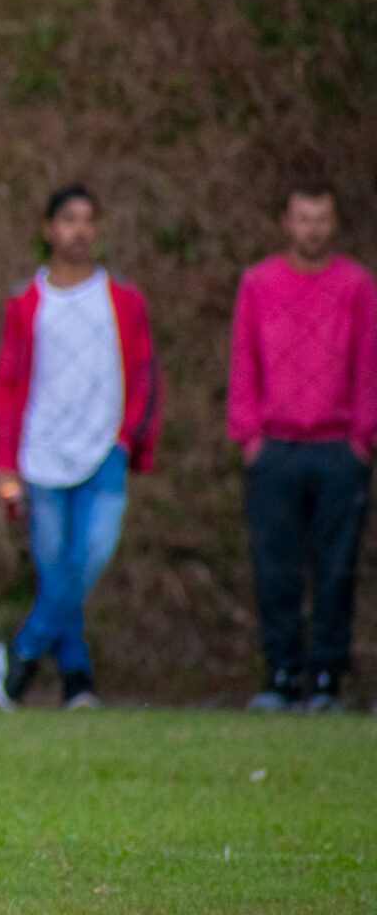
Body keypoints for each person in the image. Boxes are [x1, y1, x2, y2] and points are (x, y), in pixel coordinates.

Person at [0, 186, 159, 710]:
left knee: (91, 557)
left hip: (104, 447)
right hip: (42, 453)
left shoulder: (123, 300)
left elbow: (144, 373)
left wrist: (131, 440)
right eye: (68, 220)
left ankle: (22, 652)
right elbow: (8, 384)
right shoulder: (26, 302)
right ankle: (77, 679)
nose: (78, 231)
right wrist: (3, 462)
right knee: (56, 568)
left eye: (88, 220)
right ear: (48, 229)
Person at [228, 182, 377, 712]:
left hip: (338, 446)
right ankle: (281, 674)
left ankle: (327, 680)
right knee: (275, 565)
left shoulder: (357, 285)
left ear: (334, 224)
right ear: (286, 223)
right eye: (303, 218)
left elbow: (367, 363)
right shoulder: (259, 283)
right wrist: (248, 434)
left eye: (322, 218)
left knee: (337, 567)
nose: (312, 228)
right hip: (276, 446)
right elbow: (245, 359)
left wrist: (362, 436)